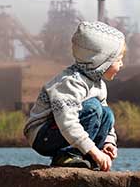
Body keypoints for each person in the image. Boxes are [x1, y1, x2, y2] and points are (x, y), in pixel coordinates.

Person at [23, 21, 125, 171]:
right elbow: (67, 122)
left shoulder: (98, 85)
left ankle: (84, 157)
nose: (122, 64)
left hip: (61, 132)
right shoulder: (70, 83)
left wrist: (108, 143)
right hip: (42, 135)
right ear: (101, 61)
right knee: (93, 108)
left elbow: (106, 121)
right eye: (118, 59)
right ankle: (67, 155)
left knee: (107, 113)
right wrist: (94, 151)